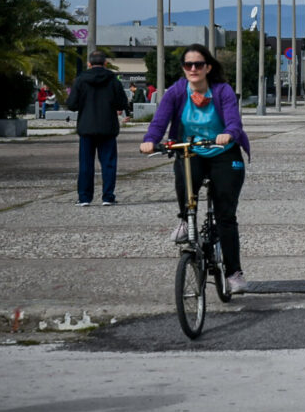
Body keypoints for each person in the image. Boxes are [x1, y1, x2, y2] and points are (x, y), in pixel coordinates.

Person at [140, 44, 251, 294]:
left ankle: (234, 272)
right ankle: (184, 220)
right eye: (188, 65)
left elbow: (233, 120)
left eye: (198, 64)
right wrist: (150, 139)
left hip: (224, 153)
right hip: (192, 150)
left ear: (208, 67)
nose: (193, 69)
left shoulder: (222, 91)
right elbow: (160, 119)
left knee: (225, 216)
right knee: (183, 174)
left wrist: (228, 133)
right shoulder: (176, 92)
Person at [66, 51, 129, 207]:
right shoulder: (113, 80)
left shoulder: (80, 80)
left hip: (86, 128)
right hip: (108, 127)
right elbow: (122, 103)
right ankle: (108, 197)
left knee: (86, 164)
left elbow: (72, 104)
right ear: (105, 63)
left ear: (89, 64)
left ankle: (84, 198)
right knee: (108, 163)